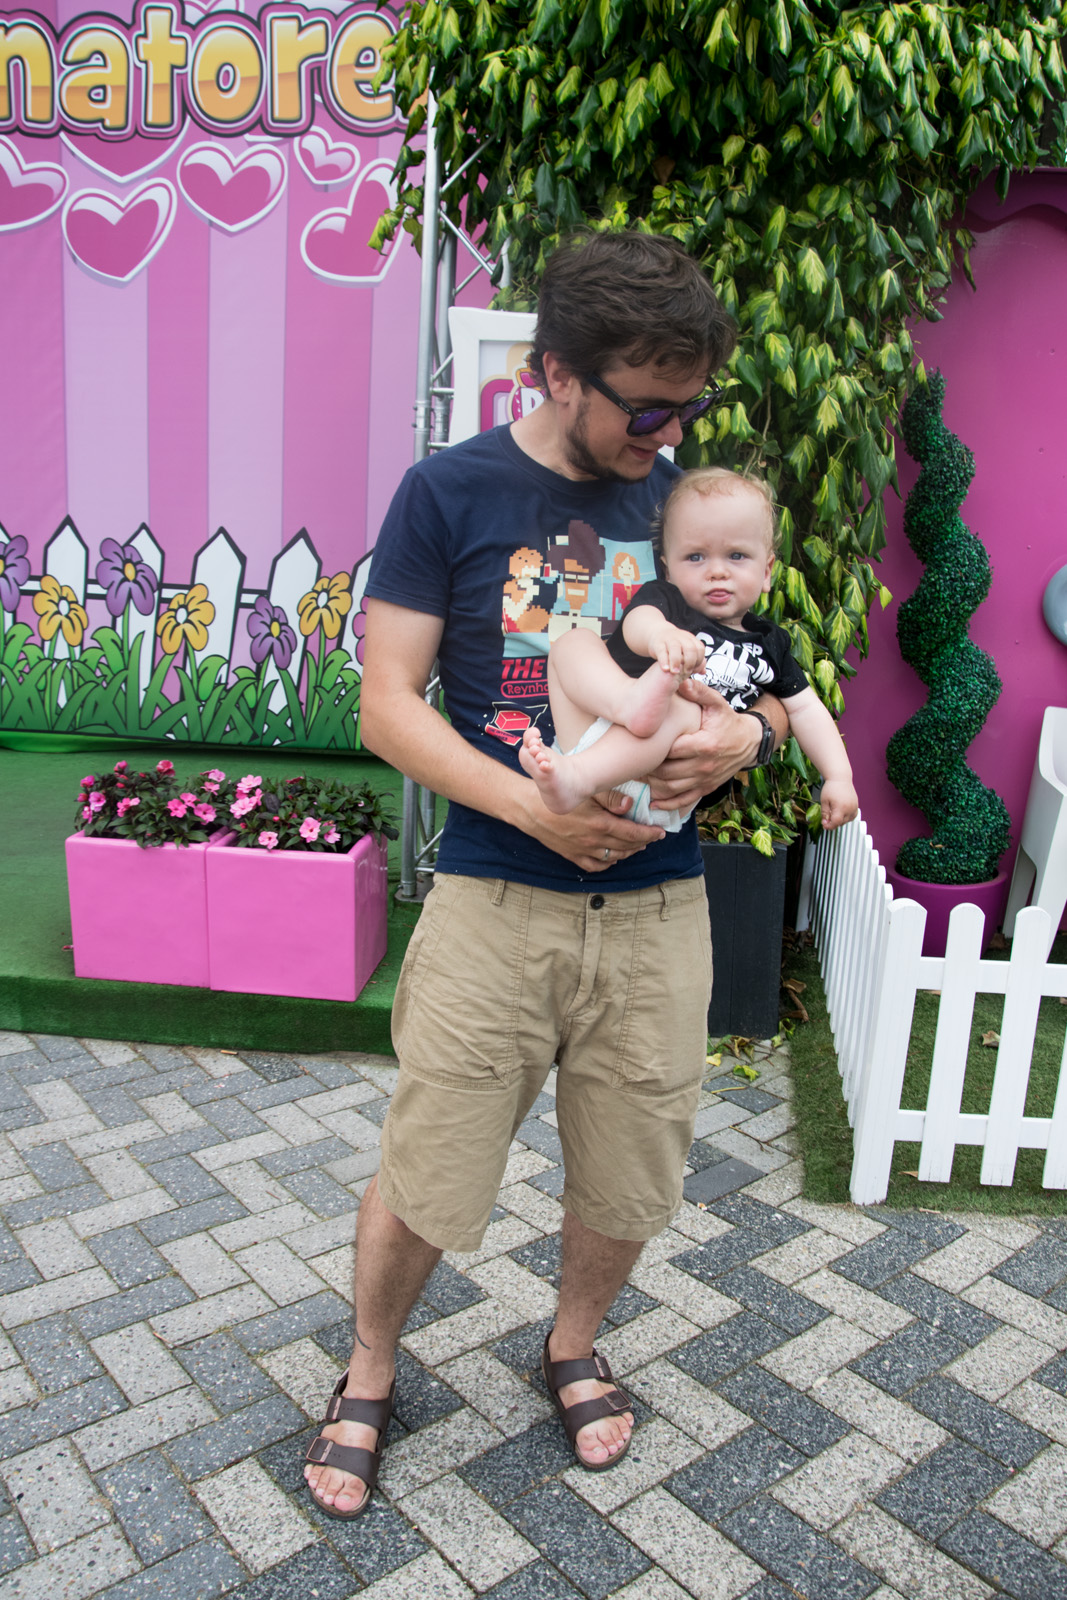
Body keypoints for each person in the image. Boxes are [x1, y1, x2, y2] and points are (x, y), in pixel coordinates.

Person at [303, 230, 790, 1519]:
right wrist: (535, 806)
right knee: (432, 1163)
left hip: (657, 907)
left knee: (631, 1167)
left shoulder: (684, 506)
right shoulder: (447, 492)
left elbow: (768, 677)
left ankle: (570, 1346)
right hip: (494, 896)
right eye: (645, 407)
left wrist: (748, 737)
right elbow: (386, 706)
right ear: (554, 373)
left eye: (686, 407)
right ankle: (369, 1363)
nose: (665, 433)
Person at [518, 467, 858, 834]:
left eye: (737, 555)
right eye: (695, 557)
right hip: (592, 739)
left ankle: (579, 777)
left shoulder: (770, 643)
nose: (717, 571)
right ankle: (619, 715)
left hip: (666, 784)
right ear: (667, 569)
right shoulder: (668, 604)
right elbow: (638, 623)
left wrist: (839, 776)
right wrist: (660, 635)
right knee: (573, 642)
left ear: (767, 571)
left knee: (682, 703)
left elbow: (805, 708)